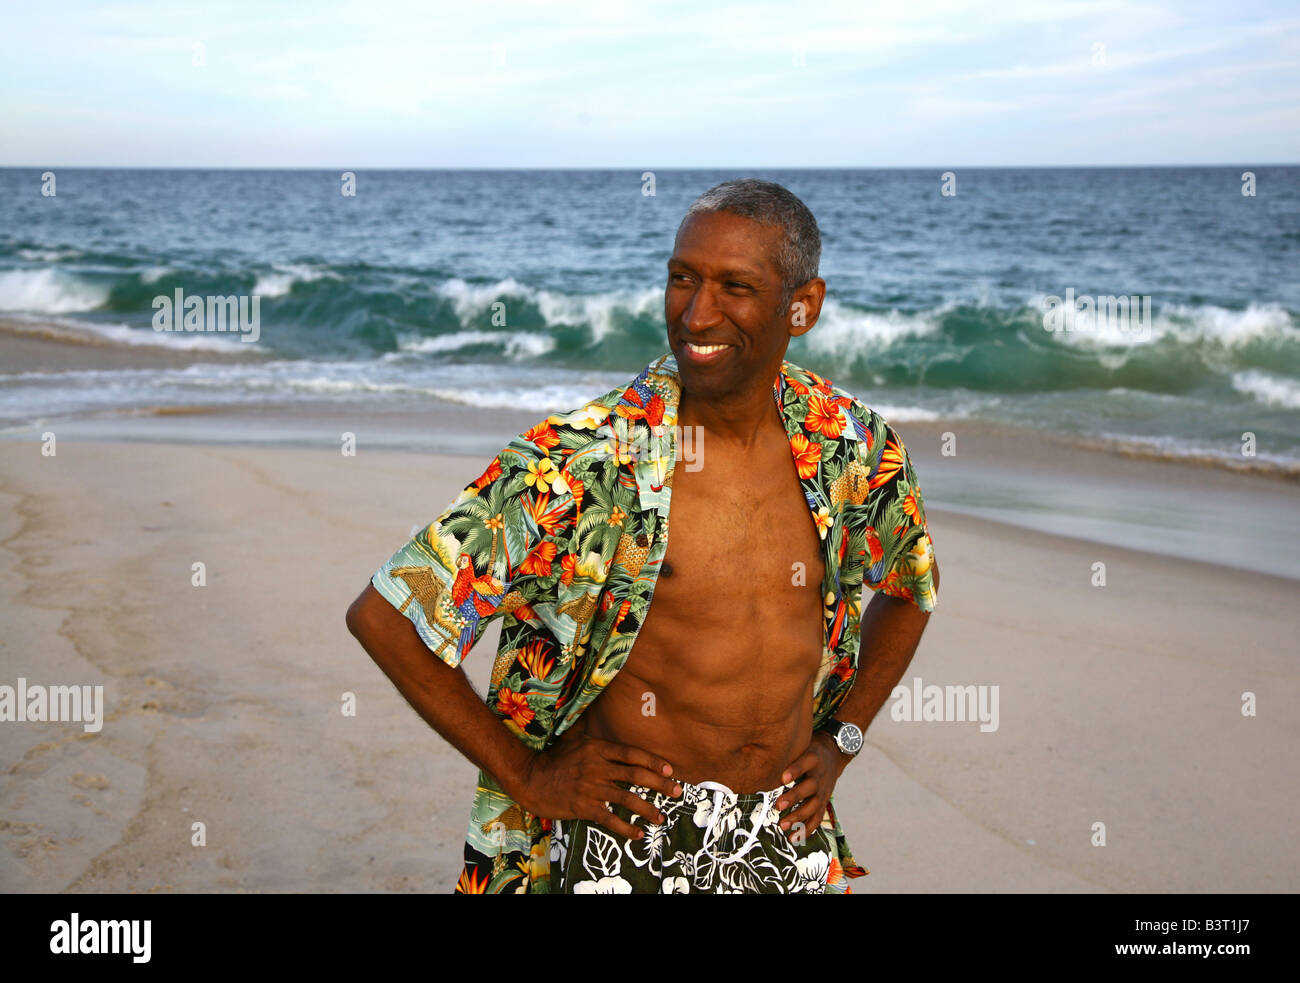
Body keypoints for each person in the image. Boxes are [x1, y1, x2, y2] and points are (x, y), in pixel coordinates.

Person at [346, 178, 938, 893]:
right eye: (682, 278)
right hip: (633, 842)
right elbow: (386, 616)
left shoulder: (850, 445)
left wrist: (842, 738)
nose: (696, 313)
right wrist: (530, 774)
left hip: (787, 832)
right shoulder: (580, 463)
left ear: (802, 305)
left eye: (734, 286)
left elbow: (910, 589)